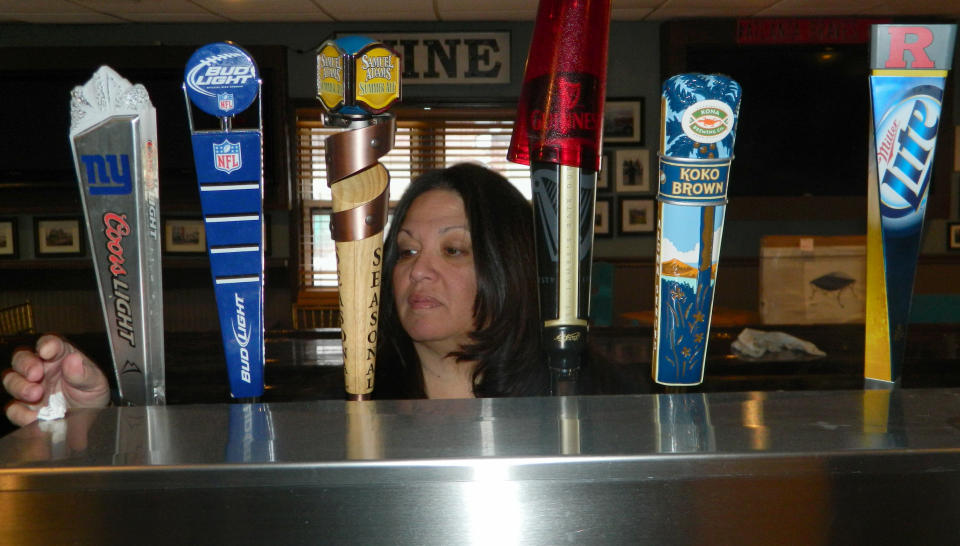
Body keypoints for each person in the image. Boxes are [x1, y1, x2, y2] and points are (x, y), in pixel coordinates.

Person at [3, 163, 547, 426]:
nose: (417, 272)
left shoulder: (578, 404)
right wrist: (89, 422)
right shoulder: (335, 414)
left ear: (511, 264)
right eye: (404, 251)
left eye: (453, 250)